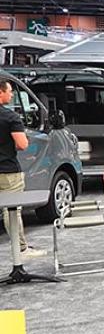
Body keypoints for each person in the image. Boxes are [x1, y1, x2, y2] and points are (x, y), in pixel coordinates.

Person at [0, 80, 43, 258]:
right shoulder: (10, 117)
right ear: (0, 92)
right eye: (9, 91)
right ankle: (21, 250)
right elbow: (22, 144)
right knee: (12, 210)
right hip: (8, 170)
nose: (11, 95)